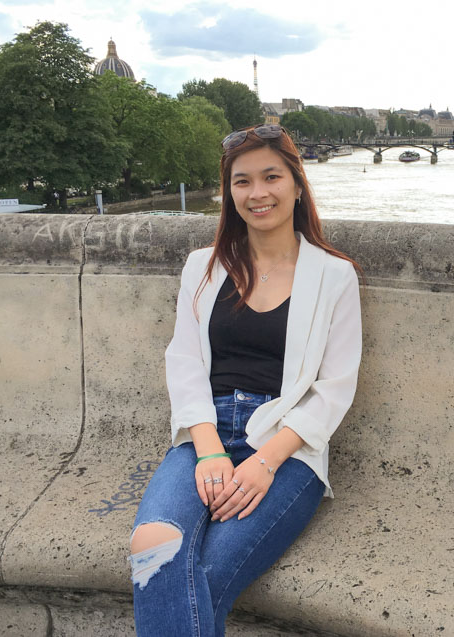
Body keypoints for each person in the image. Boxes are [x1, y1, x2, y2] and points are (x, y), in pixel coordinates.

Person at [129, 124, 362, 636]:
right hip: (205, 431)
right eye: (242, 182)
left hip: (286, 445)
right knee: (153, 546)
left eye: (271, 177)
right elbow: (184, 359)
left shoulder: (334, 275)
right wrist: (210, 450)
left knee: (204, 575)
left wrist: (264, 461)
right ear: (228, 192)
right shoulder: (203, 267)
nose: (258, 194)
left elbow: (334, 387)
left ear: (298, 185)